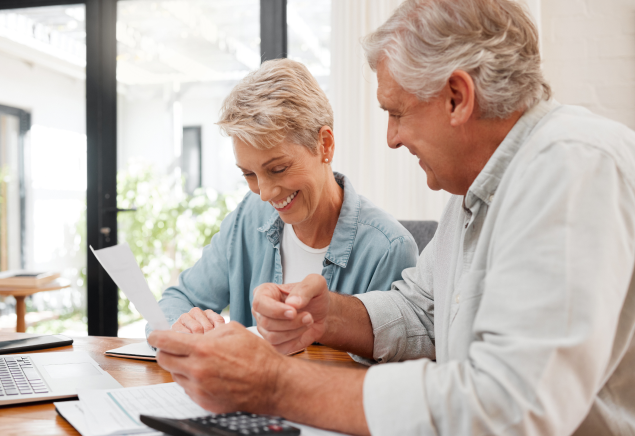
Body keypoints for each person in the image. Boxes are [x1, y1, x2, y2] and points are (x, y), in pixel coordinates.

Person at [148, 0, 635, 434]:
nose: (391, 138)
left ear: (457, 97)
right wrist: (326, 315)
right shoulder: (476, 193)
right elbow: (422, 312)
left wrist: (271, 382)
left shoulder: (572, 166)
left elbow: (510, 408)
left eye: (396, 112)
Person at [155, 58, 419, 334]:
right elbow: (177, 299)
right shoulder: (249, 216)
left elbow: (381, 369)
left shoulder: (389, 250)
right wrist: (182, 324)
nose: (265, 193)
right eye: (249, 174)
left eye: (278, 169)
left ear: (325, 144)